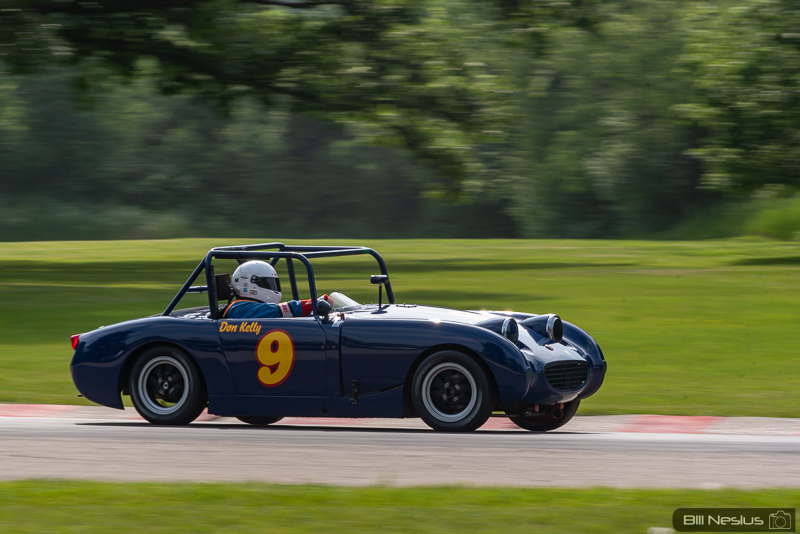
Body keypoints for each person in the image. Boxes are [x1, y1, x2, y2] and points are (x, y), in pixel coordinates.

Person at [222, 260, 332, 319]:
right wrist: (312, 304)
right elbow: (279, 310)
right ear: (249, 283)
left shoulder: (251, 307)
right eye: (268, 282)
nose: (273, 287)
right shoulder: (239, 308)